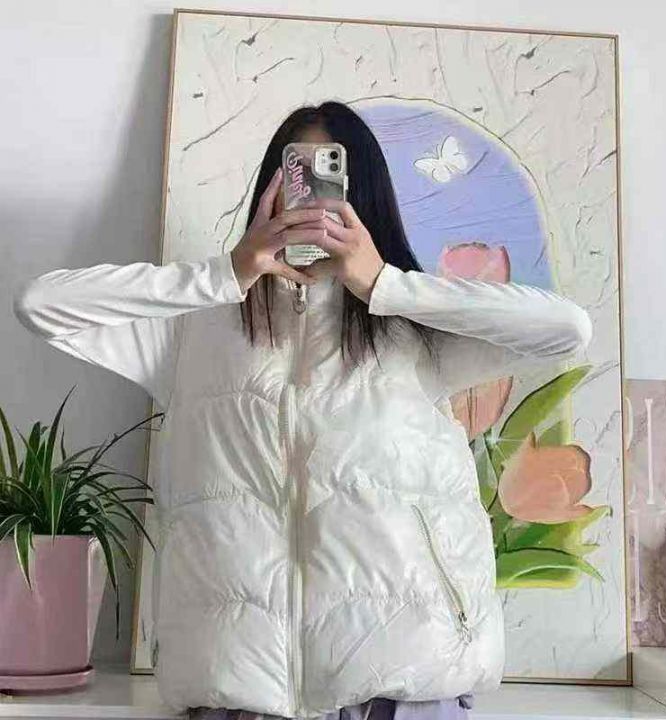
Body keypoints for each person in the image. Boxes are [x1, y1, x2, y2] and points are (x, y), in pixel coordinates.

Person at [13, 101, 593, 719]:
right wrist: (226, 275)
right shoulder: (194, 329)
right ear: (271, 190)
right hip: (238, 695)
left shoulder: (412, 329)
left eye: (331, 175)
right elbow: (42, 305)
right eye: (297, 174)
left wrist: (383, 285)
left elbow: (567, 330)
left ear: (362, 194)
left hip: (406, 688)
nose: (313, 200)